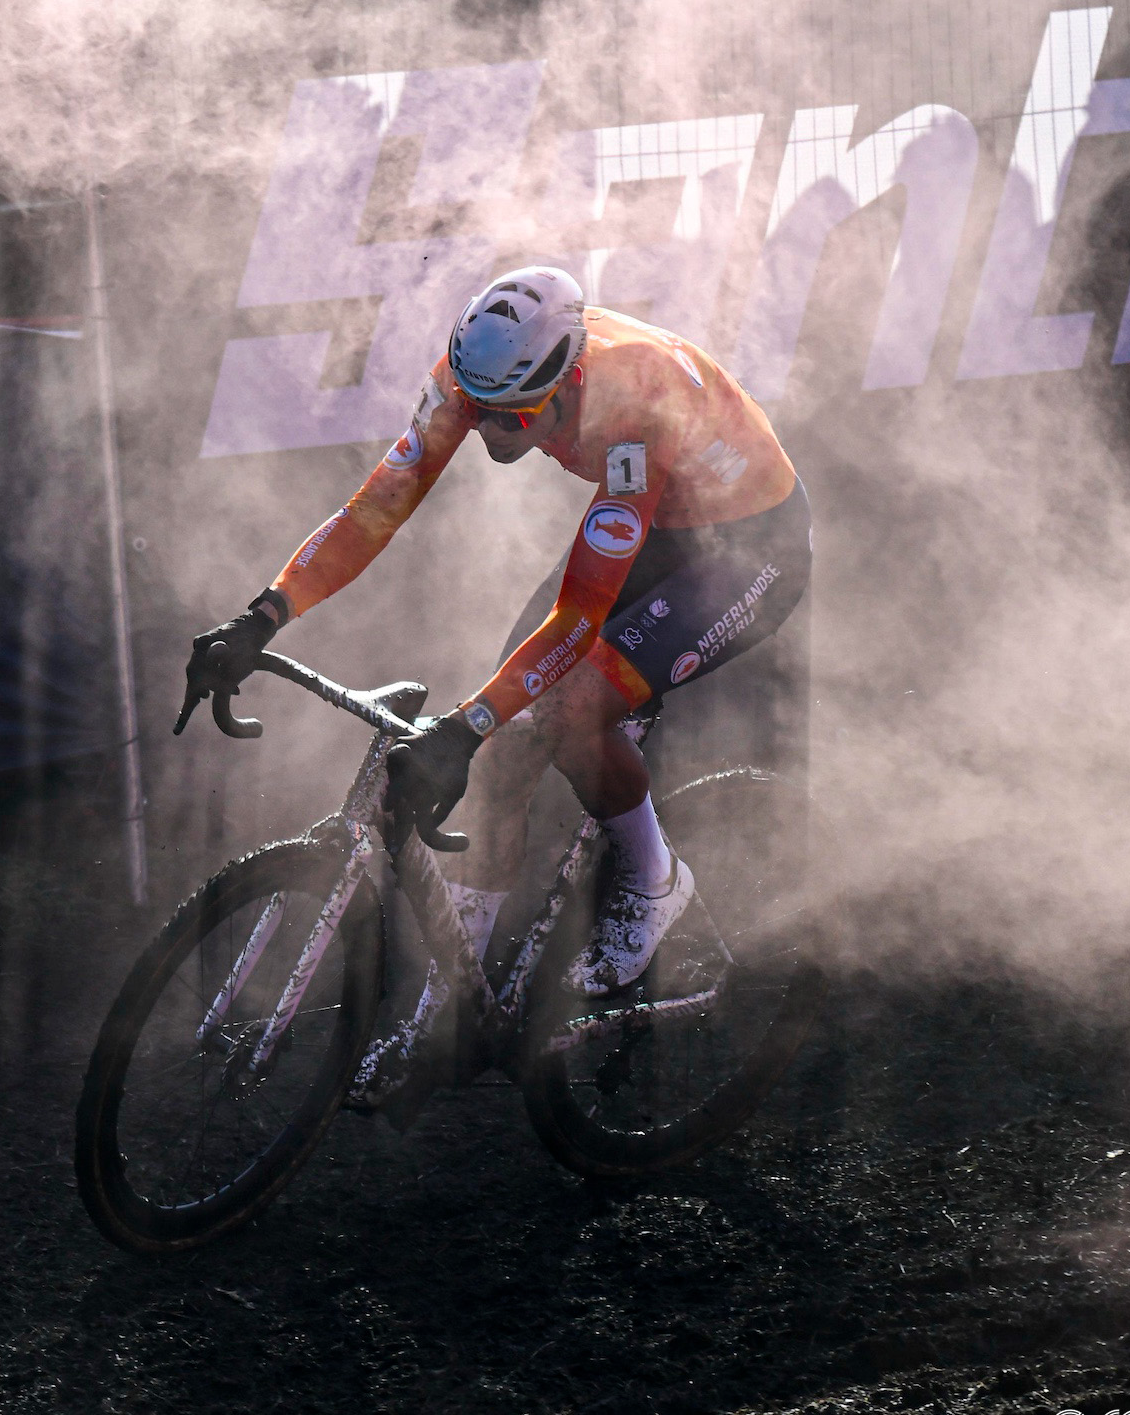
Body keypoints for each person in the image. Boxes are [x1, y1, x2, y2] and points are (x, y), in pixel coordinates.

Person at [178, 266, 811, 1099]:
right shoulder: (474, 377)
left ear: (569, 379)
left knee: (573, 706)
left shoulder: (633, 406)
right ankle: (454, 1008)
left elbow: (581, 615)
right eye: (479, 412)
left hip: (748, 543)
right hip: (658, 518)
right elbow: (377, 507)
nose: (491, 432)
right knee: (505, 737)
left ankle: (658, 886)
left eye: (515, 417)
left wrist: (466, 725)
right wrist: (263, 614)